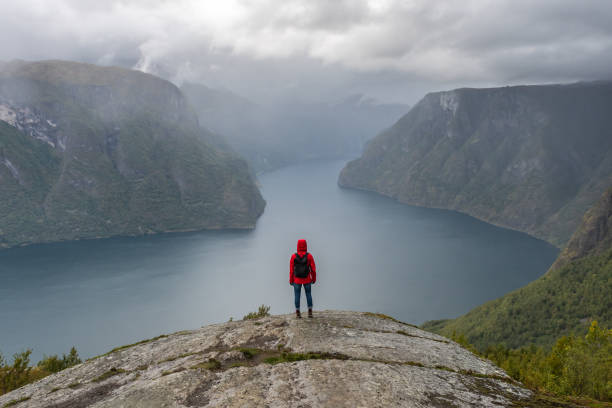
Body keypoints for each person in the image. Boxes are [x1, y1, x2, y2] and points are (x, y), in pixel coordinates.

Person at [289, 239, 316, 318]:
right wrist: (313, 279)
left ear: (297, 245)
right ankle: (310, 311)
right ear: (306, 245)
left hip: (296, 280)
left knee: (297, 295)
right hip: (307, 279)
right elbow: (313, 269)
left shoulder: (293, 256)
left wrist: (291, 280)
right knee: (308, 294)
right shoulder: (309, 256)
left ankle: (298, 312)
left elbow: (291, 270)